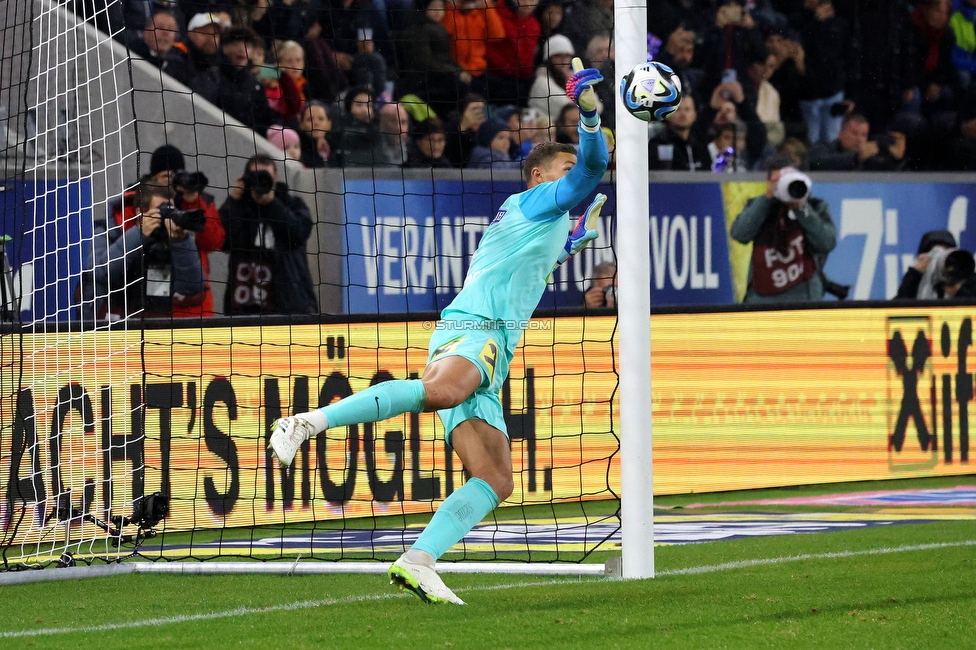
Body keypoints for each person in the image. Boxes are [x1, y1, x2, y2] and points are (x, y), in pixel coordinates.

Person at [269, 57, 609, 604]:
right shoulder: (535, 200)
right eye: (562, 170)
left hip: (491, 344)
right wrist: (589, 118)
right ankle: (306, 423)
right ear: (540, 175)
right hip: (475, 330)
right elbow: (592, 171)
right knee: (443, 391)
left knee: (497, 479)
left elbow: (523, 266)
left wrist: (571, 244)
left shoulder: (536, 220)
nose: (571, 180)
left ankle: (419, 559)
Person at [80, 182, 206, 322]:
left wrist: (181, 242)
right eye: (162, 210)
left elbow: (192, 288)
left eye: (170, 209)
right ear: (140, 212)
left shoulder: (170, 238)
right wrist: (139, 234)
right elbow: (100, 272)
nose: (166, 216)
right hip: (111, 323)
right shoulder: (108, 230)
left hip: (155, 324)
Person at [219, 154, 318, 315]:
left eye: (266, 177)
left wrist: (271, 203)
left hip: (288, 307)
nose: (261, 182)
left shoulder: (292, 204)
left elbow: (298, 235)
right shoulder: (241, 208)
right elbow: (222, 241)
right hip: (244, 309)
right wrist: (234, 200)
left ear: (276, 177)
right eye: (255, 177)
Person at [729, 156, 837, 303]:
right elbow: (739, 234)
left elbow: (827, 243)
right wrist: (767, 199)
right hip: (762, 299)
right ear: (768, 181)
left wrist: (802, 210)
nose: (783, 186)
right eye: (777, 181)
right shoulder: (758, 206)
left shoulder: (814, 206)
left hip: (805, 298)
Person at [647, 95, 711, 171]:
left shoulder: (700, 145)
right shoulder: (658, 144)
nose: (683, 115)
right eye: (677, 110)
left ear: (694, 115)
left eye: (687, 109)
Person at [895, 229, 959, 299]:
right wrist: (914, 274)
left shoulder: (965, 276)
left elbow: (971, 299)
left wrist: (958, 288)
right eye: (932, 250)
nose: (937, 255)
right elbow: (899, 304)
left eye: (944, 250)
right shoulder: (915, 278)